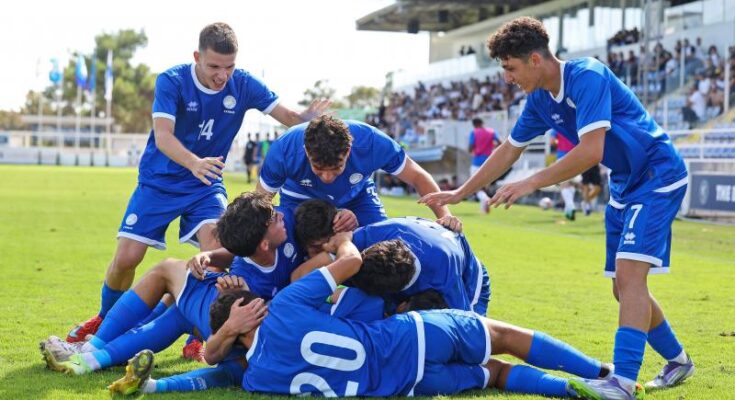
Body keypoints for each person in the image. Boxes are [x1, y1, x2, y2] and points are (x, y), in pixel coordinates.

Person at [420, 17, 693, 399]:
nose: (508, 78)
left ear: (535, 59)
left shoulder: (587, 76)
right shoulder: (539, 100)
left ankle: (622, 383)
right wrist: (460, 192)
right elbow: (509, 150)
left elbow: (591, 151)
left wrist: (531, 182)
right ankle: (679, 361)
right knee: (622, 288)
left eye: (511, 68)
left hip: (658, 174)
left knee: (631, 277)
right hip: (625, 182)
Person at [66, 22, 330, 348]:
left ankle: (200, 334)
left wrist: (307, 118)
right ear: (197, 57)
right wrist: (193, 162)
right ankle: (106, 318)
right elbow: (163, 136)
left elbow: (289, 117)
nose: (223, 75)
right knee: (127, 259)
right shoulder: (172, 81)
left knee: (217, 248)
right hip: (160, 182)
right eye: (214, 66)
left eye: (229, 67)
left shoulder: (244, 84)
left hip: (206, 185)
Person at [202, 232, 616, 398]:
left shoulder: (257, 379)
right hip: (411, 336)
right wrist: (343, 240)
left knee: (495, 374)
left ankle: (570, 391)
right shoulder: (285, 307)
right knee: (504, 337)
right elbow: (350, 263)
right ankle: (601, 374)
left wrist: (225, 336)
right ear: (251, 309)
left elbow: (212, 358)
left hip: (409, 384)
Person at [256, 114, 461, 232]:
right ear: (306, 152)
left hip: (356, 197)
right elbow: (259, 202)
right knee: (284, 243)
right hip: (300, 199)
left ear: (349, 151)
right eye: (318, 169)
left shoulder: (372, 142)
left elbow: (417, 176)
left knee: (382, 246)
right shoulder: (284, 150)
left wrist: (445, 217)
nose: (327, 178)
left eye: (336, 169)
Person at [292, 200, 490, 315]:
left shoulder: (445, 280)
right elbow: (299, 277)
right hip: (425, 253)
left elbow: (469, 331)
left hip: (469, 279)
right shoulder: (364, 238)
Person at [468, 117, 501, 213]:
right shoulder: (492, 132)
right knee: (484, 186)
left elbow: (470, 147)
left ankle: (485, 199)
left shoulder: (474, 132)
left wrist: (474, 149)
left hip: (477, 162)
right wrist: (492, 148)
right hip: (489, 162)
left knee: (474, 187)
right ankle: (483, 209)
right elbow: (500, 143)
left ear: (474, 124)